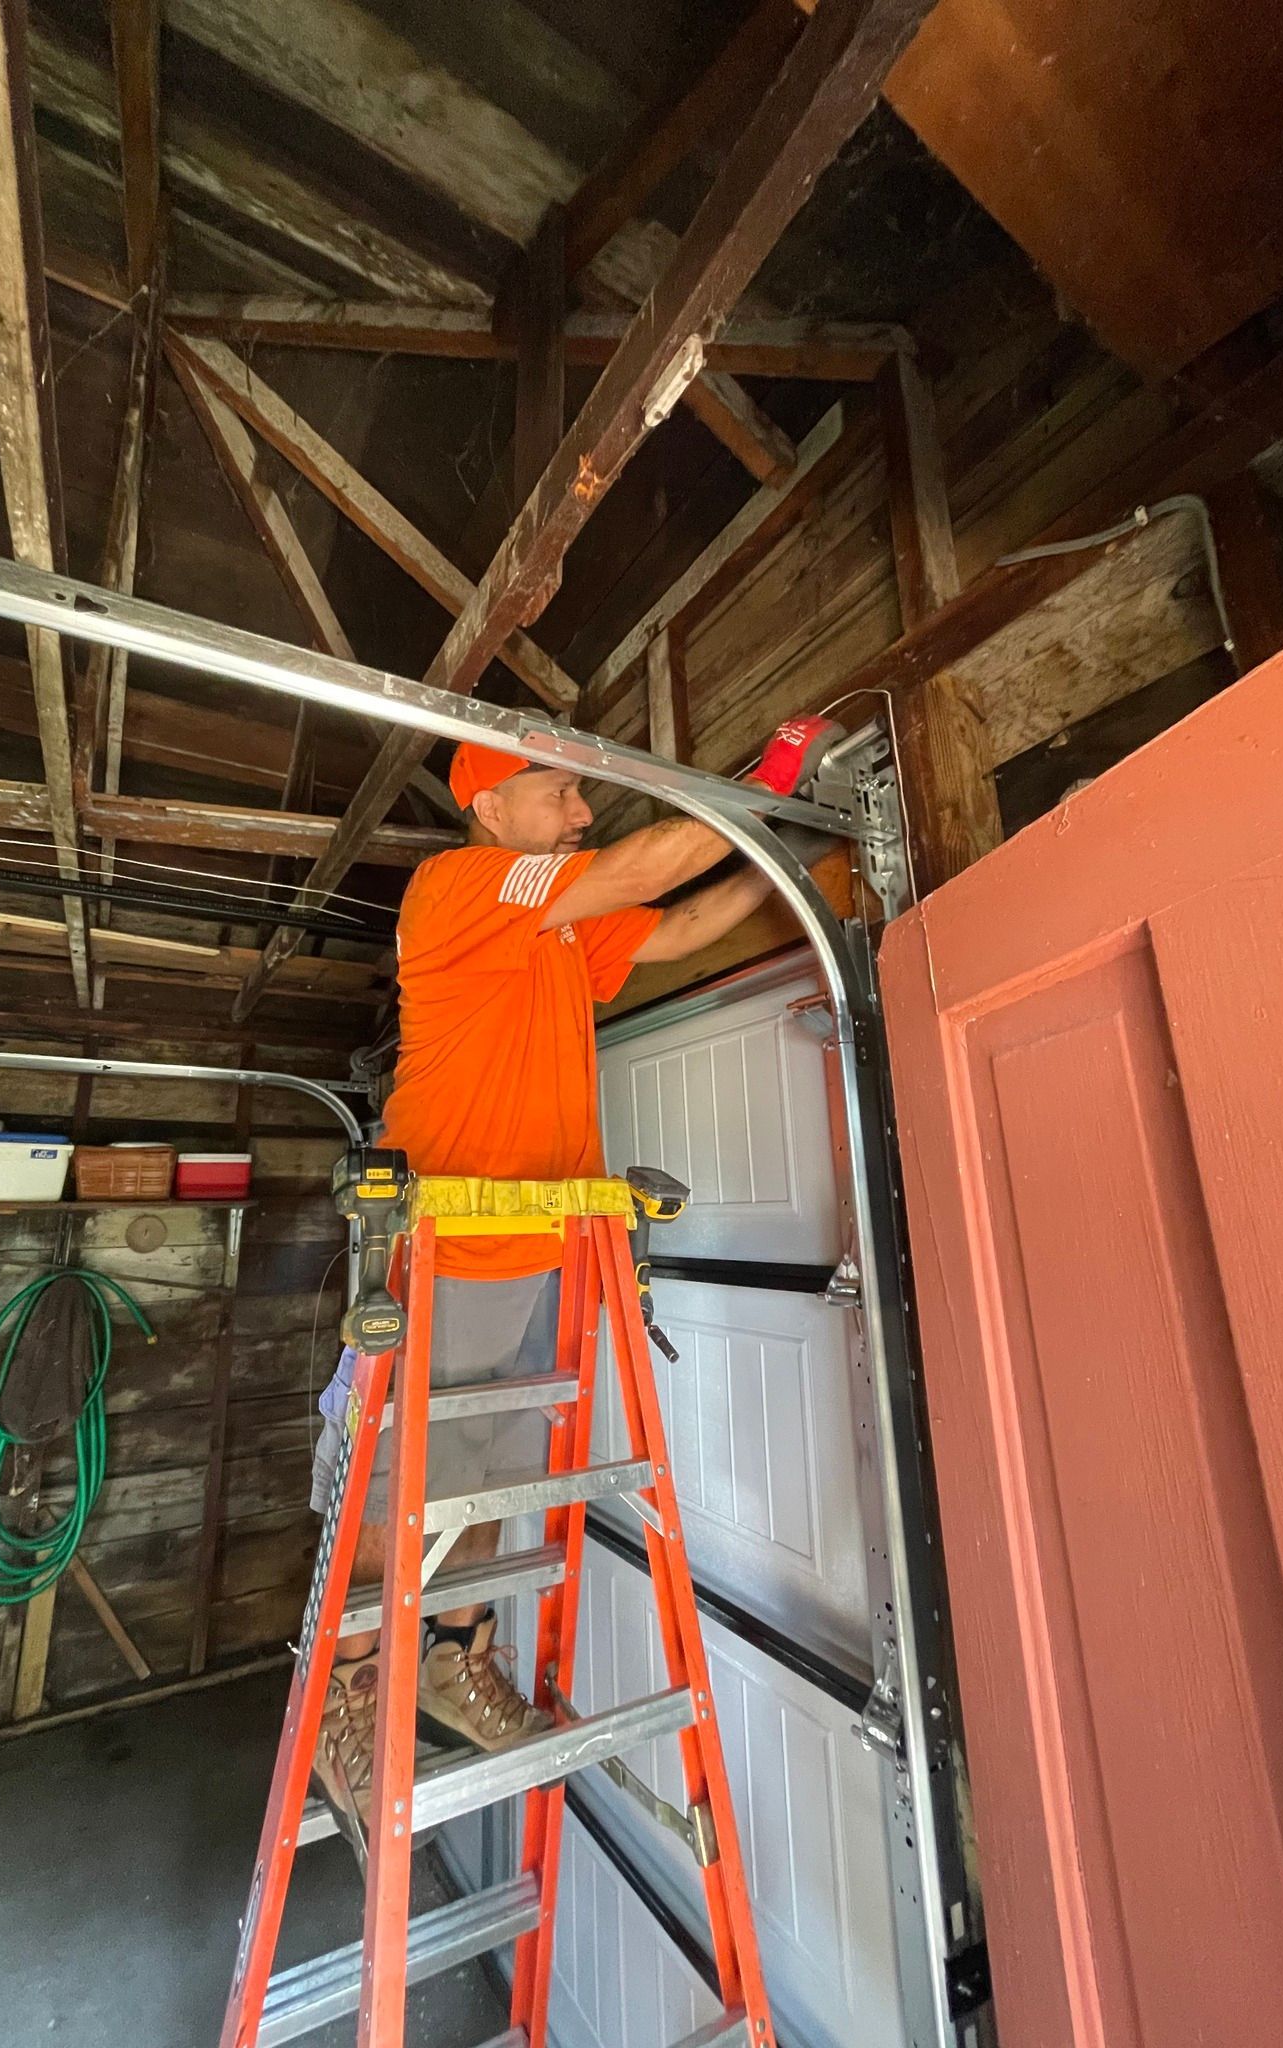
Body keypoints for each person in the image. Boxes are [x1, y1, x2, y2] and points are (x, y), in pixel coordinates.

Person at [310, 717, 839, 1822]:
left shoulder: (557, 928)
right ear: (495, 805)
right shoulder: (459, 887)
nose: (584, 812)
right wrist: (769, 771)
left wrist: (779, 846)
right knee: (398, 1471)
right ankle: (347, 1694)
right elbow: (651, 862)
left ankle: (456, 1656)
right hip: (447, 1238)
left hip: (546, 1237)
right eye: (563, 792)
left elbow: (684, 918)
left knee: (493, 1468)